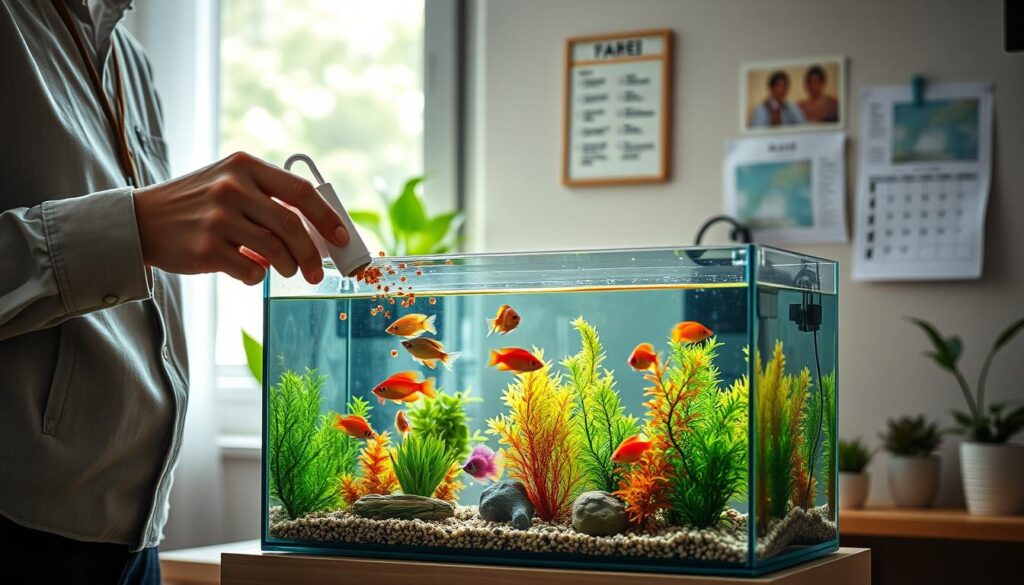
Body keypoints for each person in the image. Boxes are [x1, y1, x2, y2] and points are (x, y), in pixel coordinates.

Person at [0, 1, 351, 583]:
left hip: (139, 542)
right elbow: (134, 231)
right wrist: (133, 226)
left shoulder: (130, 60)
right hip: (23, 535)